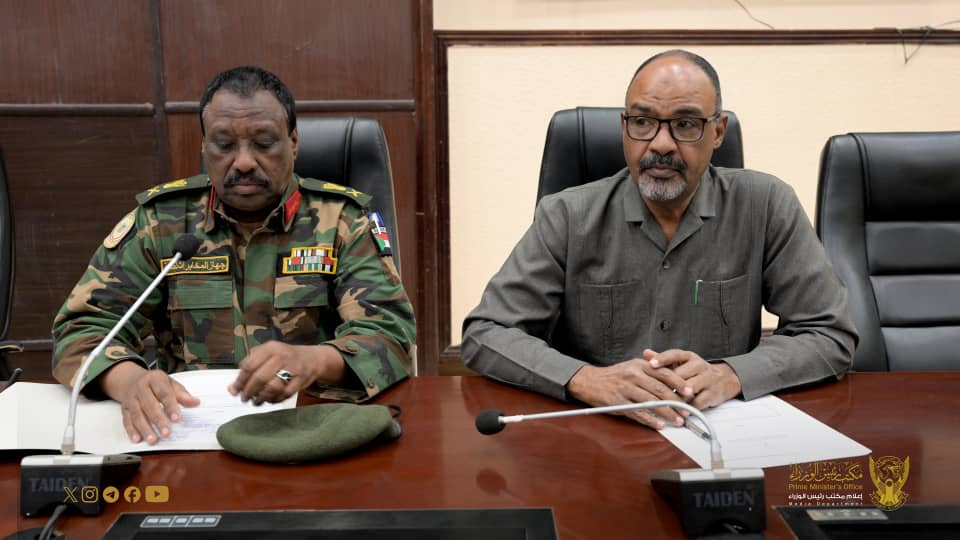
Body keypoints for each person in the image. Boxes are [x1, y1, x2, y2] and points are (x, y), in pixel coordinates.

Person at [461, 50, 856, 430]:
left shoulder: (765, 205)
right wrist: (587, 379)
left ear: (718, 132)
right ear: (624, 128)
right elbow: (487, 333)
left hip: (720, 429)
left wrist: (732, 374)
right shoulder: (567, 216)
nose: (661, 144)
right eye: (643, 122)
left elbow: (829, 333)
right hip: (598, 434)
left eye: (685, 124)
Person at [52, 66, 416, 445]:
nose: (243, 162)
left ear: (293, 143)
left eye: (264, 143)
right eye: (224, 145)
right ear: (204, 147)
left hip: (313, 427)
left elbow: (392, 336)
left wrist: (312, 362)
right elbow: (80, 330)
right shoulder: (162, 224)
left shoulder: (341, 221)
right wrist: (130, 381)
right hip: (189, 432)